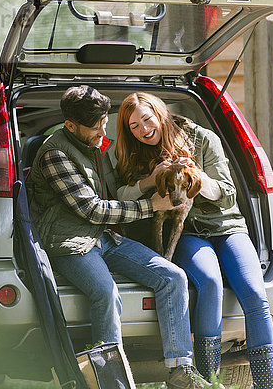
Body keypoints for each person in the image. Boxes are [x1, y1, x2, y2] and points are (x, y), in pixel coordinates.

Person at [27, 85, 210, 389]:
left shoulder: (93, 145)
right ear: (71, 126)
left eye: (104, 120)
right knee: (106, 293)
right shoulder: (54, 153)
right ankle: (112, 383)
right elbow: (92, 209)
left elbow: (111, 198)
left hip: (104, 237)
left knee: (173, 277)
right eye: (95, 124)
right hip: (69, 243)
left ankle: (181, 370)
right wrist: (150, 206)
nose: (103, 127)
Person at [115, 92, 273, 389]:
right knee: (210, 284)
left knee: (255, 293)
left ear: (160, 114)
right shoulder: (136, 153)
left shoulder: (203, 139)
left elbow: (227, 193)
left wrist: (197, 178)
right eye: (134, 126)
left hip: (226, 226)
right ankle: (208, 381)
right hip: (188, 233)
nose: (143, 129)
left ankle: (268, 385)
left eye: (147, 119)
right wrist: (152, 179)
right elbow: (120, 195)